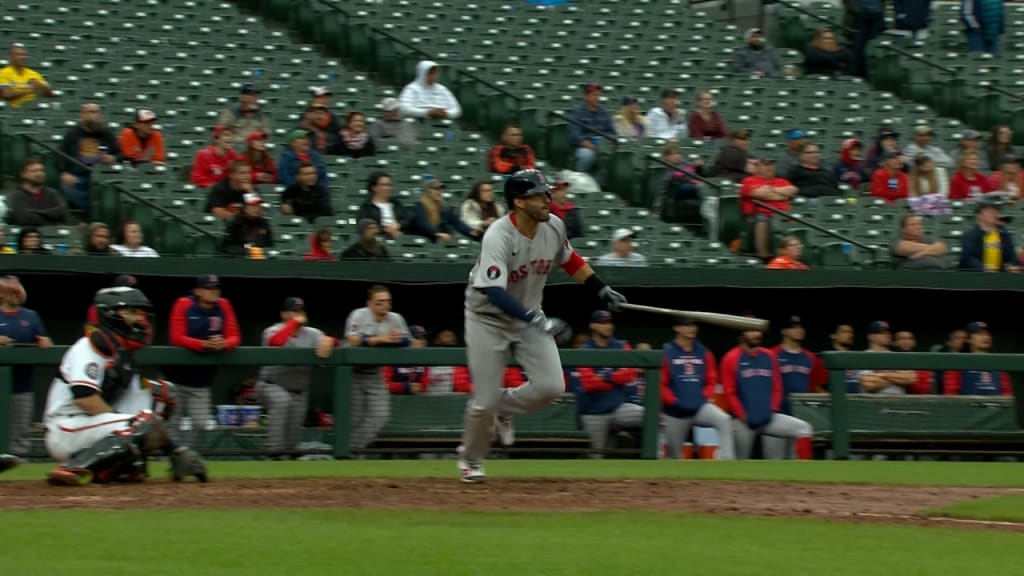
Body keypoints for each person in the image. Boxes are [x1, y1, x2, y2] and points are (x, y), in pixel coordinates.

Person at [459, 169, 627, 483]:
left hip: (528, 315)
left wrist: (600, 289)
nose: (547, 199)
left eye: (547, 193)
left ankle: (505, 406)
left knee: (552, 387)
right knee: (483, 401)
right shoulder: (498, 234)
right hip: (488, 318)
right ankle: (471, 460)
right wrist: (538, 319)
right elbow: (493, 291)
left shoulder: (553, 225)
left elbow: (570, 259)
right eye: (539, 195)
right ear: (519, 202)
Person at [42, 287, 207, 485]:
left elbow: (141, 412)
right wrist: (130, 431)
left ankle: (111, 469)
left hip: (90, 427)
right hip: (66, 428)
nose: (141, 319)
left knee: (162, 395)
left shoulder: (123, 356)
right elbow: (84, 397)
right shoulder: (89, 347)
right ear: (111, 314)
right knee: (142, 423)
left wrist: (170, 445)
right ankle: (72, 468)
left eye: (141, 313)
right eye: (132, 312)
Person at [258, 297, 339, 459]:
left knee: (291, 444)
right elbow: (276, 342)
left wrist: (330, 340)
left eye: (301, 311)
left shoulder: (312, 333)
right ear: (283, 314)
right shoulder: (272, 330)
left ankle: (285, 463)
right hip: (270, 385)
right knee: (282, 401)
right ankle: (272, 454)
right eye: (293, 311)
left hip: (298, 392)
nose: (299, 315)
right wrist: (293, 323)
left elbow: (334, 342)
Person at [344, 285, 412, 452]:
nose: (385, 305)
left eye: (388, 301)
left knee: (380, 416)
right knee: (354, 419)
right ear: (370, 303)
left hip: (375, 374)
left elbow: (408, 341)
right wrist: (381, 339)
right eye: (380, 302)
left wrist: (397, 340)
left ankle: (352, 450)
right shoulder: (359, 315)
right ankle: (349, 454)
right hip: (352, 373)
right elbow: (352, 340)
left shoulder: (395, 318)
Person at [660, 318, 735, 460]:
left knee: (724, 420)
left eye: (694, 325)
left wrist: (702, 398)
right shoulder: (666, 352)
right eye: (687, 325)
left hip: (699, 408)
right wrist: (674, 401)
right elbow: (661, 384)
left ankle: (727, 461)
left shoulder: (703, 352)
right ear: (677, 328)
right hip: (676, 412)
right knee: (674, 456)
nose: (692, 328)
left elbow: (711, 380)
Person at [0, 276, 52, 457]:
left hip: (22, 385)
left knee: (20, 430)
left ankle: (18, 466)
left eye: (17, 291)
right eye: (11, 292)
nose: (15, 295)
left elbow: (44, 340)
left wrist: (44, 341)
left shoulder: (31, 316)